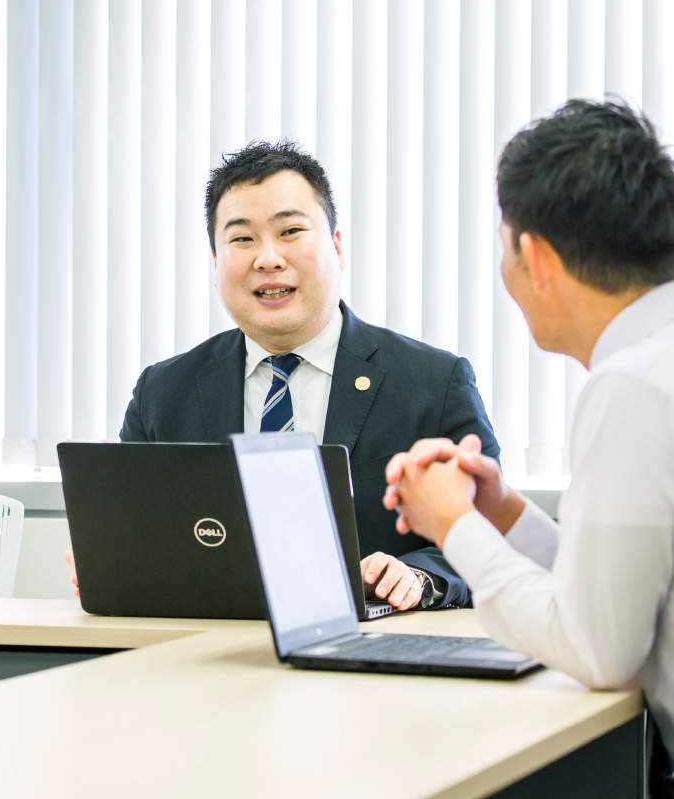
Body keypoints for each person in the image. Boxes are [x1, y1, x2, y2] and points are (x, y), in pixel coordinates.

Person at [385, 100, 674, 799]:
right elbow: (621, 590)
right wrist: (502, 514)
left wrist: (452, 527)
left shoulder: (636, 388)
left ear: (535, 258)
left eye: (504, 248)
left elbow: (598, 647)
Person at [69, 141, 500, 611]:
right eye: (242, 239)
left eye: (290, 231)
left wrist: (417, 576)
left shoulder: (433, 383)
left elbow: (491, 537)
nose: (268, 258)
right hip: (211, 647)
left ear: (337, 246)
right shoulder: (162, 393)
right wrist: (112, 557)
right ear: (216, 262)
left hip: (374, 647)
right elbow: (136, 534)